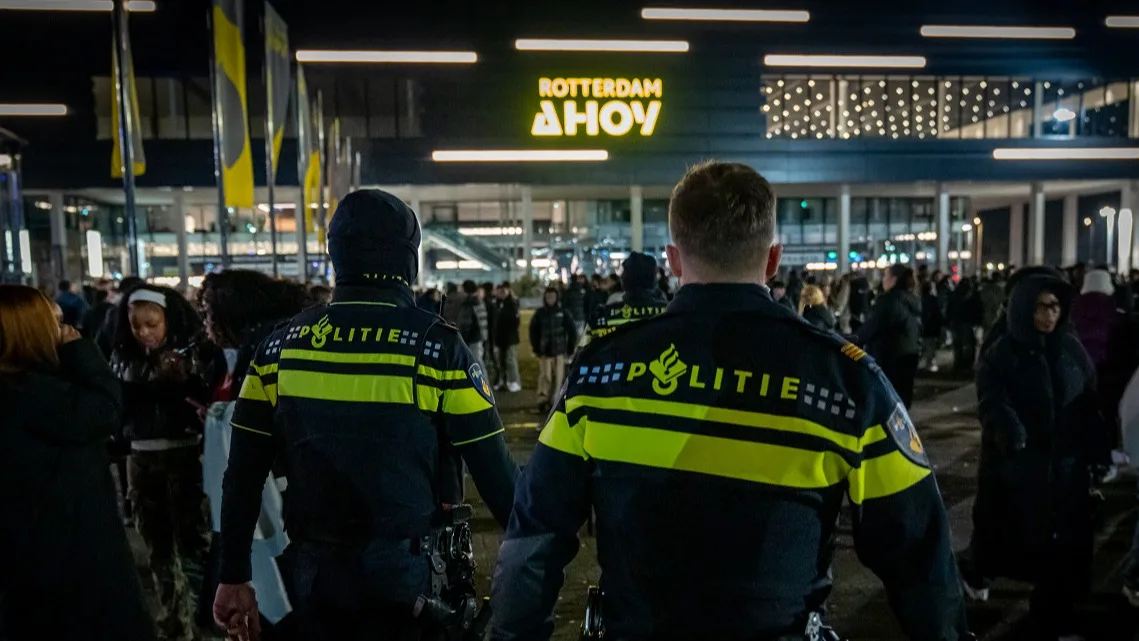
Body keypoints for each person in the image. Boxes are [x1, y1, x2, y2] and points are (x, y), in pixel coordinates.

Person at [491, 161, 970, 641]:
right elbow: (919, 554)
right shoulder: (849, 381)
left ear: (674, 260)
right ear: (773, 259)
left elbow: (534, 536)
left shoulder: (599, 371)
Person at [213, 189, 518, 641]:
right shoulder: (437, 348)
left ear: (336, 255)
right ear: (408, 261)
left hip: (312, 577)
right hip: (411, 582)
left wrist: (233, 575)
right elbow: (500, 483)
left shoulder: (278, 348)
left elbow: (241, 476)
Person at [0, 285, 156, 641]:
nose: (65, 329)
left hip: (32, 561)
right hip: (68, 563)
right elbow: (104, 410)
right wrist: (81, 352)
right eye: (54, 323)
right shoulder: (30, 394)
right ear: (31, 332)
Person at [963, 272, 1110, 640]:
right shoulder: (1003, 353)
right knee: (1009, 538)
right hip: (1017, 472)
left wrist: (1097, 452)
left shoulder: (1071, 351)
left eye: (1055, 306)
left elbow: (1089, 404)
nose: (1049, 314)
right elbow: (991, 399)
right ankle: (976, 576)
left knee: (1063, 555)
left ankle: (1054, 619)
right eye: (1041, 306)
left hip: (1066, 473)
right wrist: (1009, 430)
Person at [111, 284, 211, 641]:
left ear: (168, 319)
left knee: (192, 545)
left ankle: (199, 619)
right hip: (142, 456)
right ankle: (174, 621)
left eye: (152, 324)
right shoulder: (123, 358)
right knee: (157, 547)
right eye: (137, 326)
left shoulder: (193, 354)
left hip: (185, 453)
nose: (145, 333)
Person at [855, 264, 921, 407]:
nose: (883, 279)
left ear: (893, 279)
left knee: (888, 402)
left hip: (891, 358)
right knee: (903, 401)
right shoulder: (910, 300)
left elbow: (873, 327)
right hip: (909, 355)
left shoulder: (889, 301)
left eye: (885, 275)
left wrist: (852, 339)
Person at [582, 251, 668, 346]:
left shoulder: (602, 317)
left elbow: (582, 355)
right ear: (654, 279)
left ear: (625, 280)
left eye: (623, 272)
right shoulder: (670, 314)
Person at [529, 285, 577, 417]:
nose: (550, 299)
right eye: (548, 296)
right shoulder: (540, 313)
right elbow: (533, 331)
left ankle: (555, 400)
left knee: (559, 377)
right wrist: (536, 348)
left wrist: (570, 348)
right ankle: (542, 400)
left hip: (559, 351)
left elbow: (572, 331)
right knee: (545, 376)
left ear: (556, 298)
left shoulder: (563, 312)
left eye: (552, 296)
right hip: (544, 352)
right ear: (545, 297)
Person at [494, 281, 522, 393]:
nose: (501, 293)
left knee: (511, 360)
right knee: (500, 361)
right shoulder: (497, 303)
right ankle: (503, 382)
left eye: (503, 291)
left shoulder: (512, 303)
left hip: (510, 338)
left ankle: (514, 382)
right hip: (500, 337)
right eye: (500, 291)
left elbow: (515, 322)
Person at [458, 280, 489, 374]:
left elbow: (466, 323)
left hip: (472, 338)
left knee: (476, 362)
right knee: (478, 362)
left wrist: (462, 337)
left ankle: (485, 385)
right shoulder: (479, 301)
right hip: (479, 336)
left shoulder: (469, 303)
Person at [919, 275, 945, 372]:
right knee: (931, 345)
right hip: (932, 326)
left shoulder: (919, 299)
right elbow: (937, 313)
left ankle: (927, 362)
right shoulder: (933, 299)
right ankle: (929, 362)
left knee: (925, 344)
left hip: (924, 326)